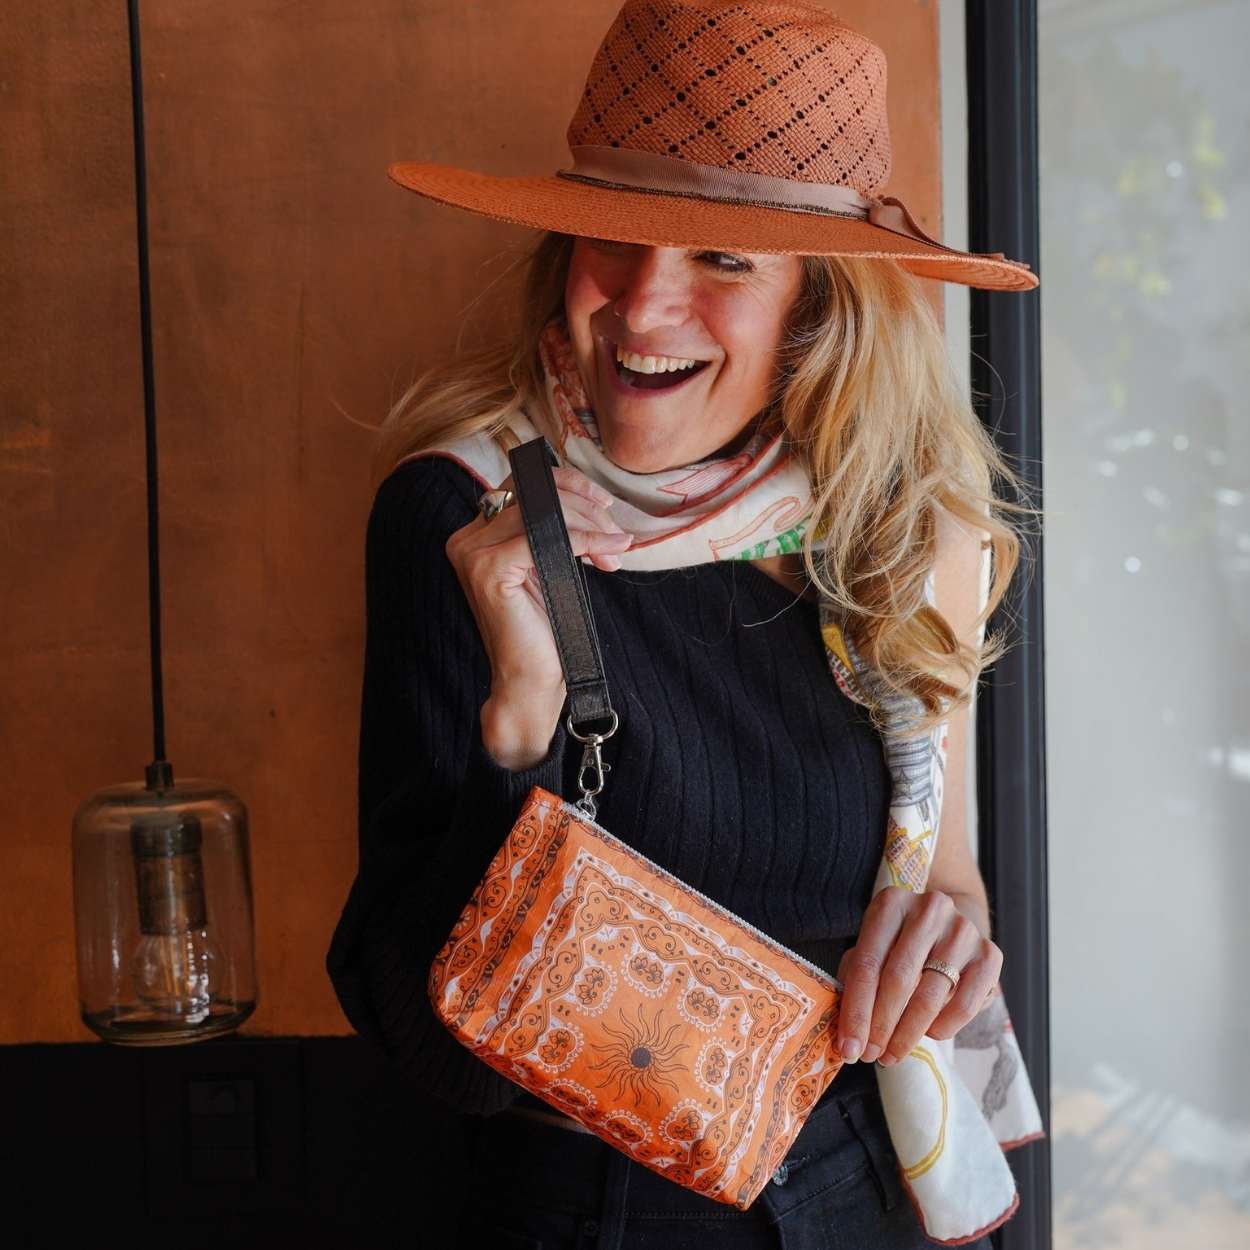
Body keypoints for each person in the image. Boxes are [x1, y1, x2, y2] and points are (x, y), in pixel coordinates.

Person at [326, 2, 1044, 1246]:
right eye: (613, 239)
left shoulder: (890, 534)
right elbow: (430, 1045)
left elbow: (944, 877)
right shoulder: (466, 515)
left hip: (869, 1186)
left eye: (722, 260)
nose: (641, 307)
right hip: (596, 1209)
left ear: (815, 308)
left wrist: (950, 937)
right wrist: (520, 725)